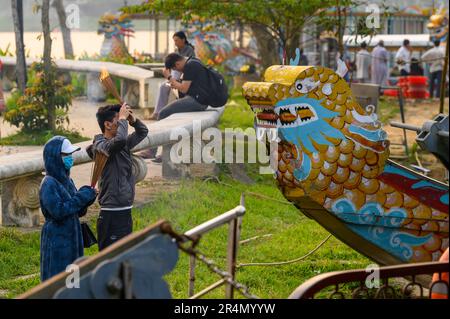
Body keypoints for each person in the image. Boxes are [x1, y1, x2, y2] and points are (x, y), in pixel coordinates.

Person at [87, 103, 149, 250]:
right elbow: (120, 140)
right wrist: (122, 118)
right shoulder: (100, 146)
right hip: (110, 213)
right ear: (107, 124)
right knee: (109, 261)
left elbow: (143, 132)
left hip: (125, 210)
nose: (123, 123)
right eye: (118, 120)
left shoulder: (122, 143)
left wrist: (133, 120)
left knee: (124, 258)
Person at [40, 136, 97, 281]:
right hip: (57, 238)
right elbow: (58, 211)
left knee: (74, 277)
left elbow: (77, 210)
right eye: (66, 155)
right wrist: (82, 197)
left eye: (71, 154)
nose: (70, 158)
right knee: (58, 278)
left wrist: (88, 198)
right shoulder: (48, 184)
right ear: (55, 157)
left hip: (73, 235)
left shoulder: (68, 180)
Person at [149, 31, 196, 120]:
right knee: (163, 86)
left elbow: (187, 68)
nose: (175, 43)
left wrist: (171, 77)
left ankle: (160, 113)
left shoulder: (189, 50)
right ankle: (157, 112)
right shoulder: (177, 51)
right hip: (175, 78)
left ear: (183, 40)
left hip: (184, 78)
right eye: (174, 41)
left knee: (168, 86)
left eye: (177, 40)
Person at [157, 53, 210, 120]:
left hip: (198, 101)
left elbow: (183, 89)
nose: (178, 71)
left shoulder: (190, 66)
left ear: (177, 64)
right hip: (200, 99)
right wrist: (176, 84)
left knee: (162, 114)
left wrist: (169, 77)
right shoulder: (193, 60)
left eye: (175, 69)